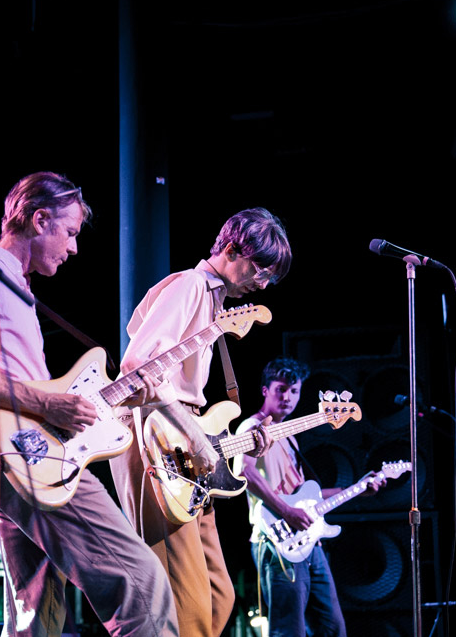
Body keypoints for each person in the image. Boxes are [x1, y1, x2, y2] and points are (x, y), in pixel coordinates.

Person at [0, 171, 179, 636]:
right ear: (39, 219)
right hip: (21, 449)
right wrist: (50, 408)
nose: (74, 247)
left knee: (36, 612)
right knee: (142, 587)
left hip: (15, 449)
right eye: (69, 232)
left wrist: (106, 409)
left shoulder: (15, 285)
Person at [109, 207, 291, 637]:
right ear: (231, 249)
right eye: (261, 269)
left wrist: (234, 439)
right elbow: (139, 365)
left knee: (218, 594)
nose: (263, 284)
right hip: (155, 441)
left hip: (185, 447)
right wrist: (194, 433)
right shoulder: (191, 286)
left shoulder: (213, 302)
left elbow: (189, 395)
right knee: (186, 602)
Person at [235, 357, 384, 637]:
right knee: (288, 630)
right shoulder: (251, 428)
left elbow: (304, 497)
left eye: (294, 391)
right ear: (265, 391)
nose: (288, 397)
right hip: (276, 541)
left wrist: (360, 486)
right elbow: (245, 472)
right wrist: (286, 511)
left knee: (333, 628)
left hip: (308, 540)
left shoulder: (289, 437)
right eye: (281, 389)